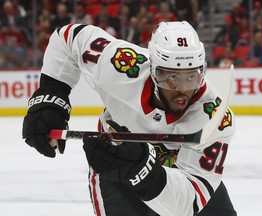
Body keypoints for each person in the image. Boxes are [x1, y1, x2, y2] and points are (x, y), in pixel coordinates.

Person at [22, 21, 237, 216]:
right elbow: (68, 38)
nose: (182, 90)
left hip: (180, 177)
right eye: (169, 77)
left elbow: (188, 204)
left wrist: (145, 173)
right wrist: (52, 95)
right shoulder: (120, 64)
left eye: (192, 77)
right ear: (152, 70)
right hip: (115, 166)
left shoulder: (214, 116)